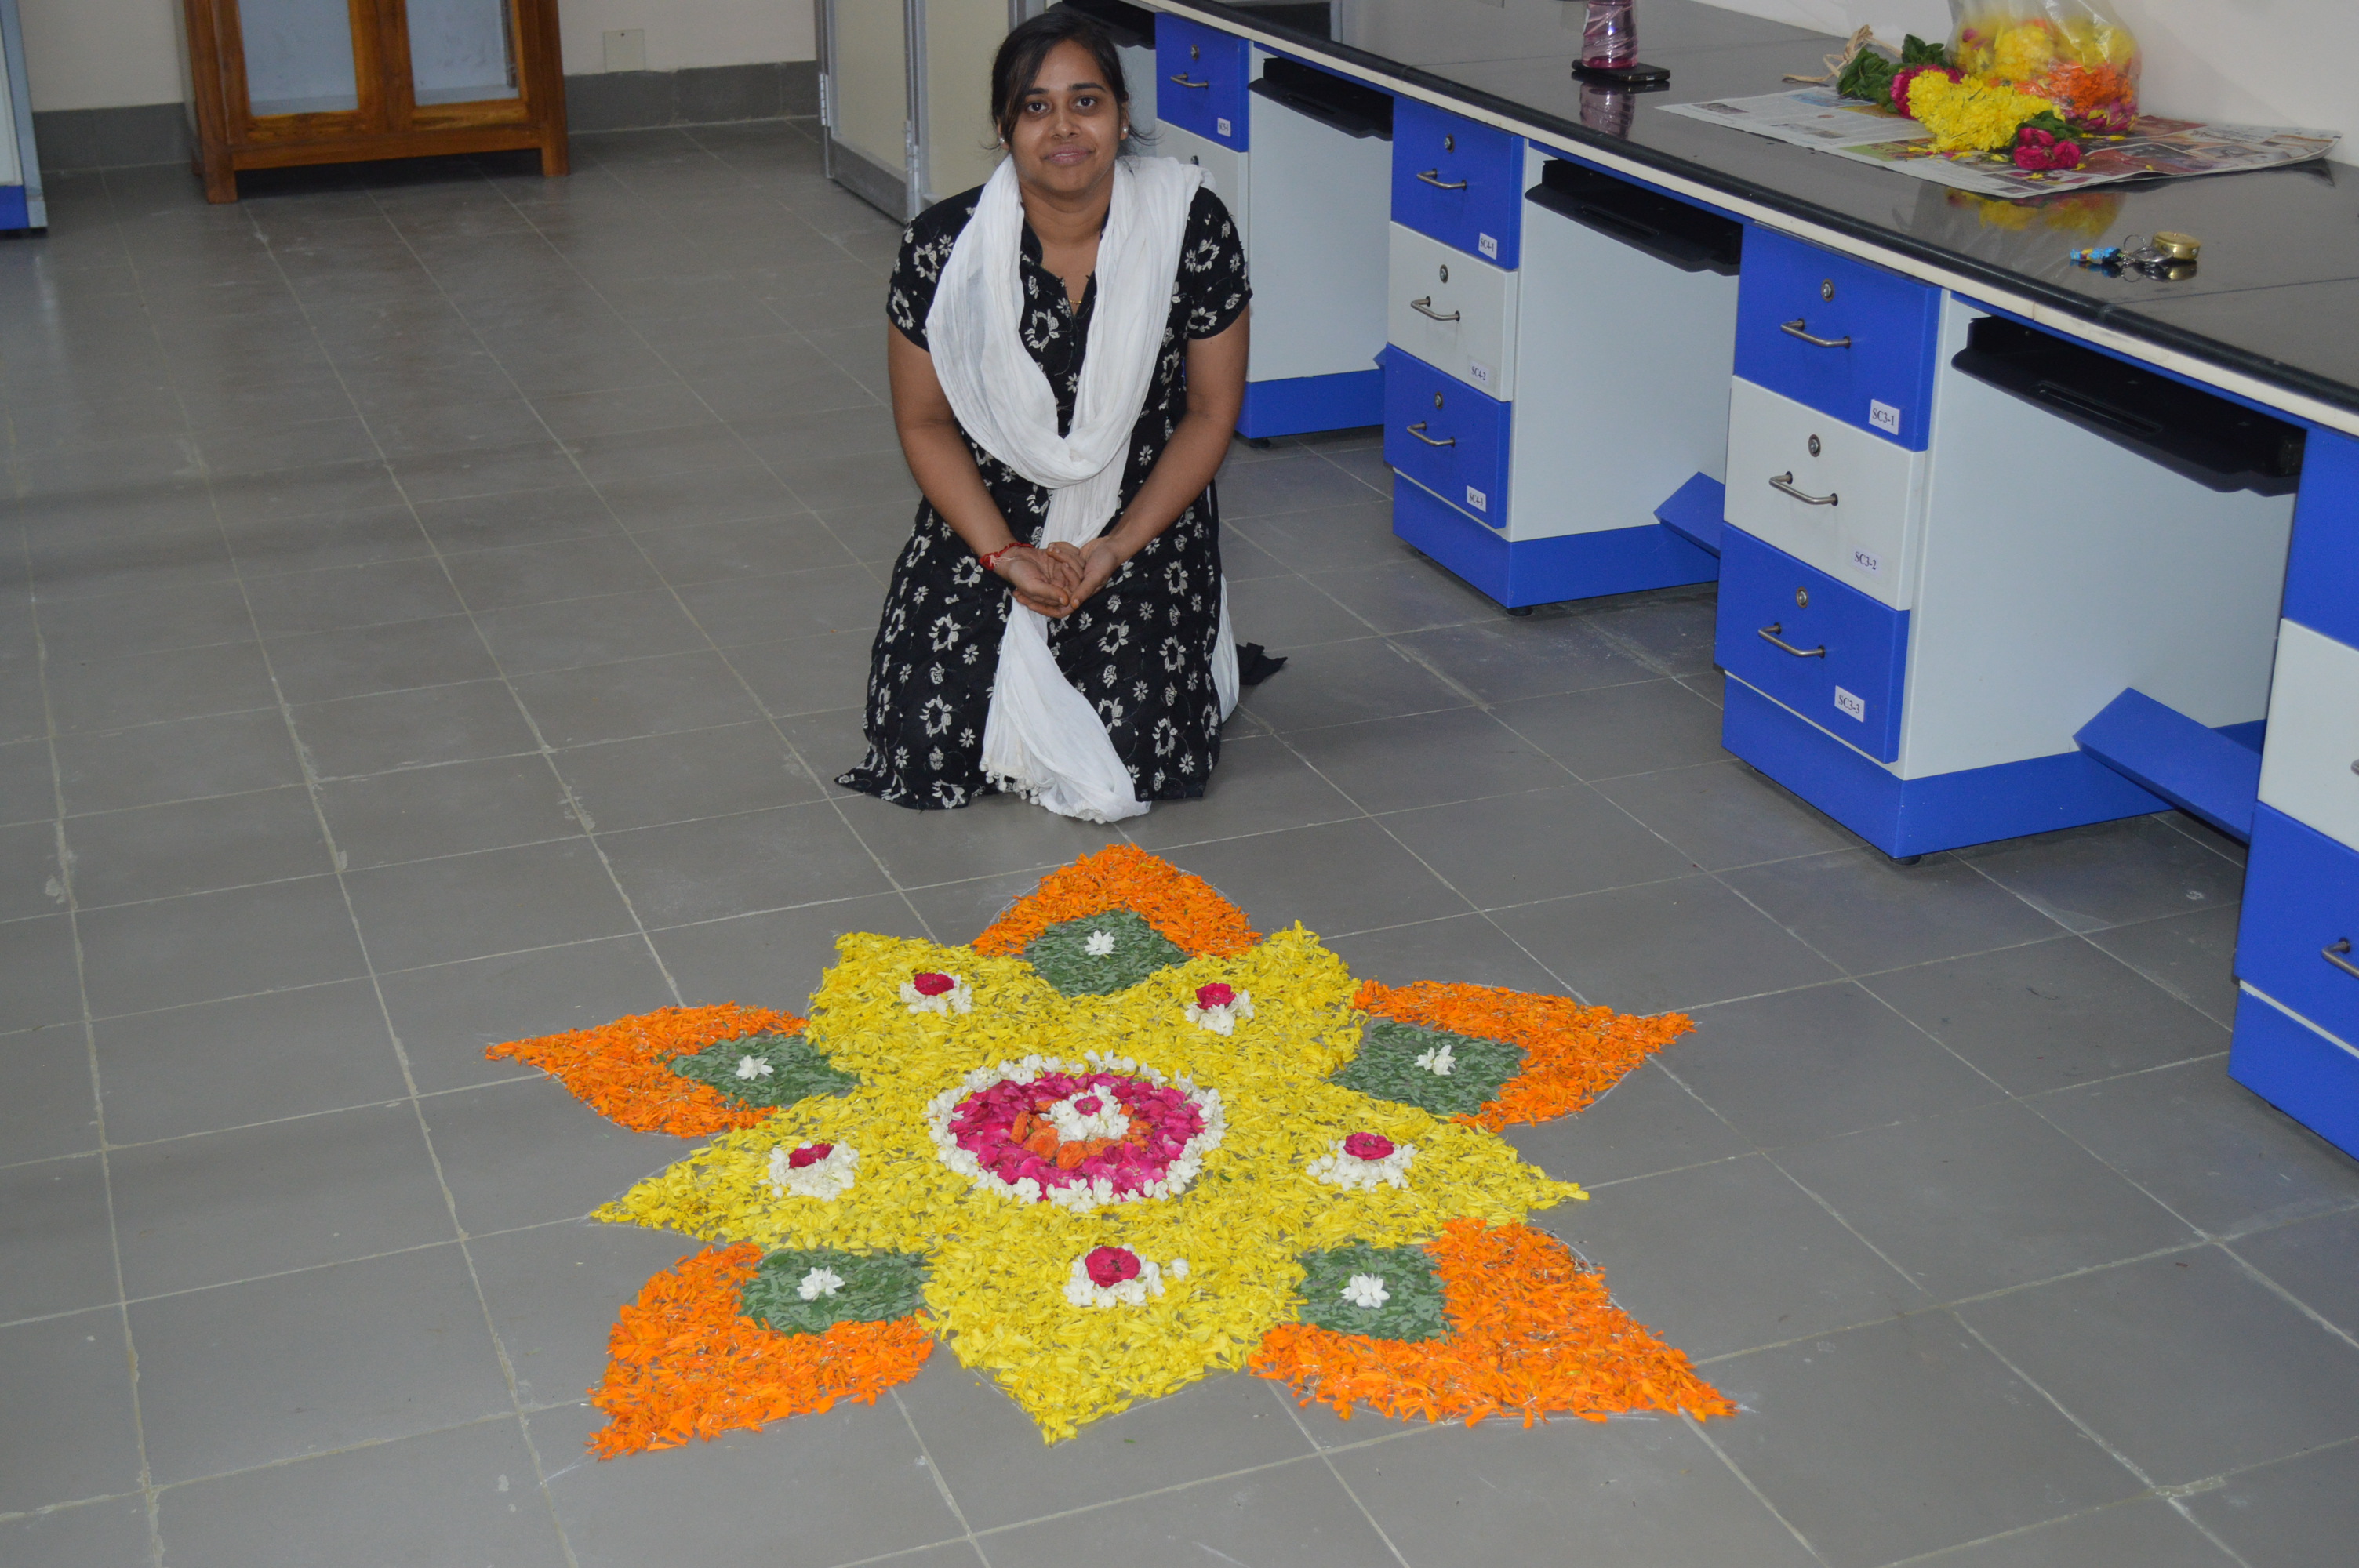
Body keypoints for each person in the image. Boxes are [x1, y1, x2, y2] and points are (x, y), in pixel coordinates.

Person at [838, 9, 1257, 821]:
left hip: (1139, 515)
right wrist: (1003, 554)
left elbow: (1210, 413)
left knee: (1139, 746)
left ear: (1122, 116)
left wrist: (1114, 546)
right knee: (926, 743)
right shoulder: (942, 248)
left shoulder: (1189, 228)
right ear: (1005, 128)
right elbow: (924, 423)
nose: (1063, 127)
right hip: (988, 513)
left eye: (1085, 101)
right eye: (1036, 107)